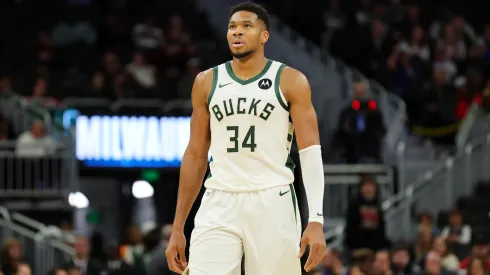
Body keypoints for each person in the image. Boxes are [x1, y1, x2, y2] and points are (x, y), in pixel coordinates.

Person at [165, 2, 326, 274]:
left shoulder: (290, 80)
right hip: (219, 198)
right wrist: (178, 226)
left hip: (272, 199)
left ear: (265, 35)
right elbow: (195, 155)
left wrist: (317, 220)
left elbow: (310, 152)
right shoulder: (206, 81)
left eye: (246, 26)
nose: (237, 32)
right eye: (232, 27)